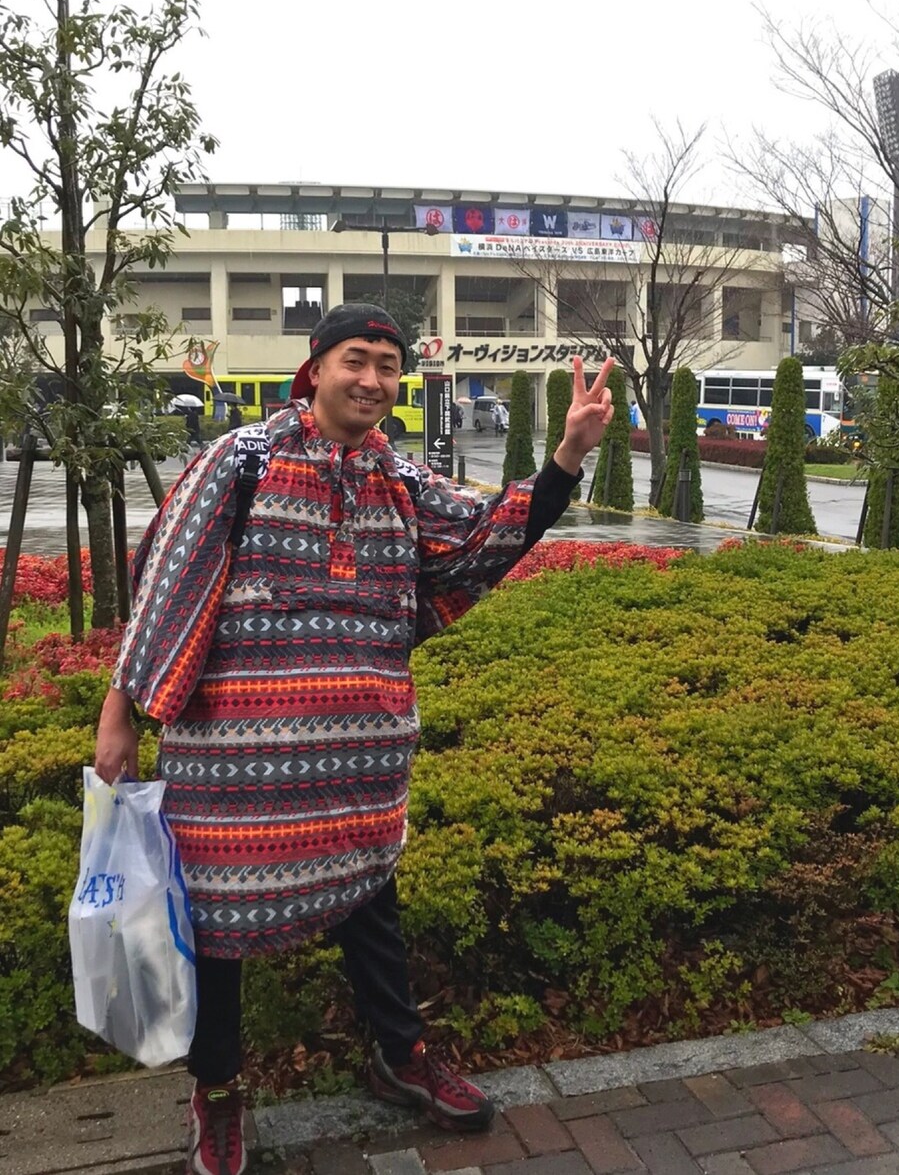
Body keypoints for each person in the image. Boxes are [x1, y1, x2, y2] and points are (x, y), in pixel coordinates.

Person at [94, 303, 614, 1175]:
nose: (372, 379)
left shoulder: (400, 479)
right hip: (233, 766)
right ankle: (217, 1091)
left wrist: (565, 458)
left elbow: (483, 539)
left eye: (387, 365)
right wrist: (121, 709)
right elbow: (168, 582)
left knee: (370, 903)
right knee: (216, 926)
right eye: (355, 359)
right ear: (316, 368)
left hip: (360, 758)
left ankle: (399, 1055)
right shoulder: (242, 459)